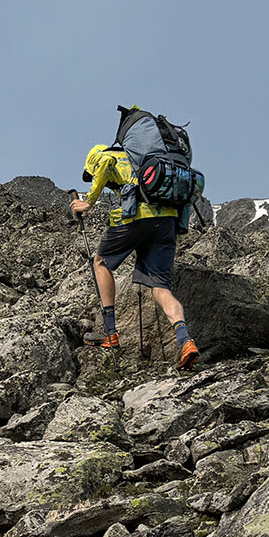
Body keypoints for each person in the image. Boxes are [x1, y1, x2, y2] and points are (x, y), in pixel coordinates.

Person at [70, 143, 200, 371]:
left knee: (100, 262)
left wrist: (88, 202)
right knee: (161, 288)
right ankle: (186, 341)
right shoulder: (142, 159)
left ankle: (110, 333)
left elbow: (104, 164)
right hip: (167, 221)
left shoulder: (107, 157)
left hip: (136, 218)